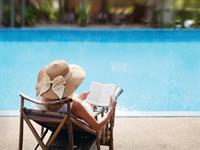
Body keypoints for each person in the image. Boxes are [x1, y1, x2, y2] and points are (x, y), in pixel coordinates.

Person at [35, 60, 116, 131]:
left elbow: (60, 105)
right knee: (100, 101)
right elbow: (96, 126)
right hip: (78, 133)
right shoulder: (75, 106)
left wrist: (79, 98)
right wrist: (110, 110)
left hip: (58, 129)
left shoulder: (40, 99)